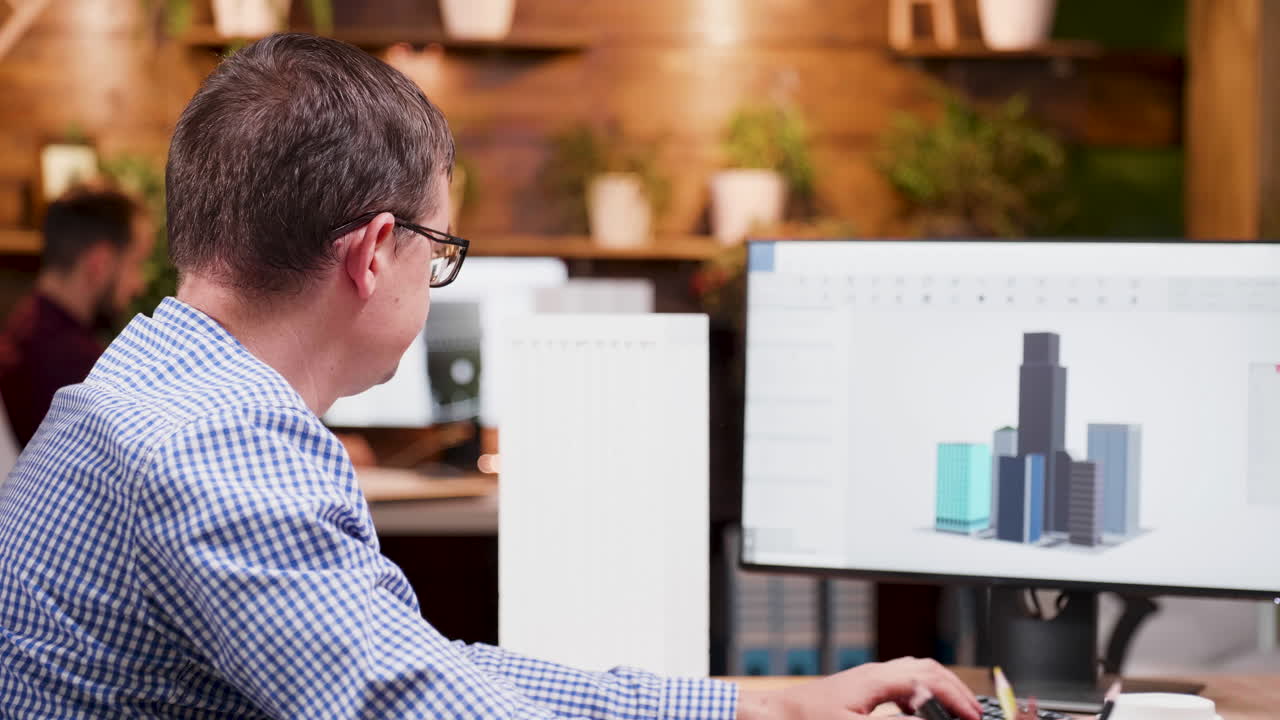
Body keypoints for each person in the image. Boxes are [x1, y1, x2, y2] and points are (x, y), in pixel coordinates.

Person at [0, 34, 982, 720]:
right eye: (441, 248)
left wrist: (765, 704)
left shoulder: (138, 391)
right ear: (376, 252)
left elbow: (415, 672)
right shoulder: (218, 445)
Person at [0, 187, 152, 446]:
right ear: (99, 263)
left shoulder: (21, 329)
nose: (139, 285)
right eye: (136, 263)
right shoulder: (77, 371)